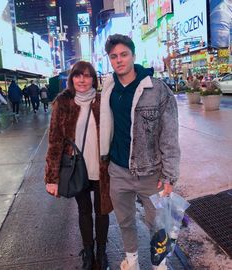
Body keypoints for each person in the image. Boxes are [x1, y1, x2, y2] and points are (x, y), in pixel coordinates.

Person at [100, 34, 180, 270]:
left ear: (133, 56)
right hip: (118, 170)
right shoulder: (109, 89)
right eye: (113, 56)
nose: (119, 60)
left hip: (151, 173)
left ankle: (159, 263)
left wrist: (170, 176)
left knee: (157, 223)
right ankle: (132, 260)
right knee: (124, 221)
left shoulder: (157, 90)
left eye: (124, 54)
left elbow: (170, 137)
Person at [44, 61, 113, 270]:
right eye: (77, 75)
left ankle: (101, 252)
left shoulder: (103, 101)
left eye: (87, 75)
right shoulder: (63, 103)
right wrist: (51, 178)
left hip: (102, 168)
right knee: (84, 211)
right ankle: (88, 251)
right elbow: (55, 141)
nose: (82, 80)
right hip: (77, 169)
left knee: (102, 212)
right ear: (71, 78)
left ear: (94, 79)